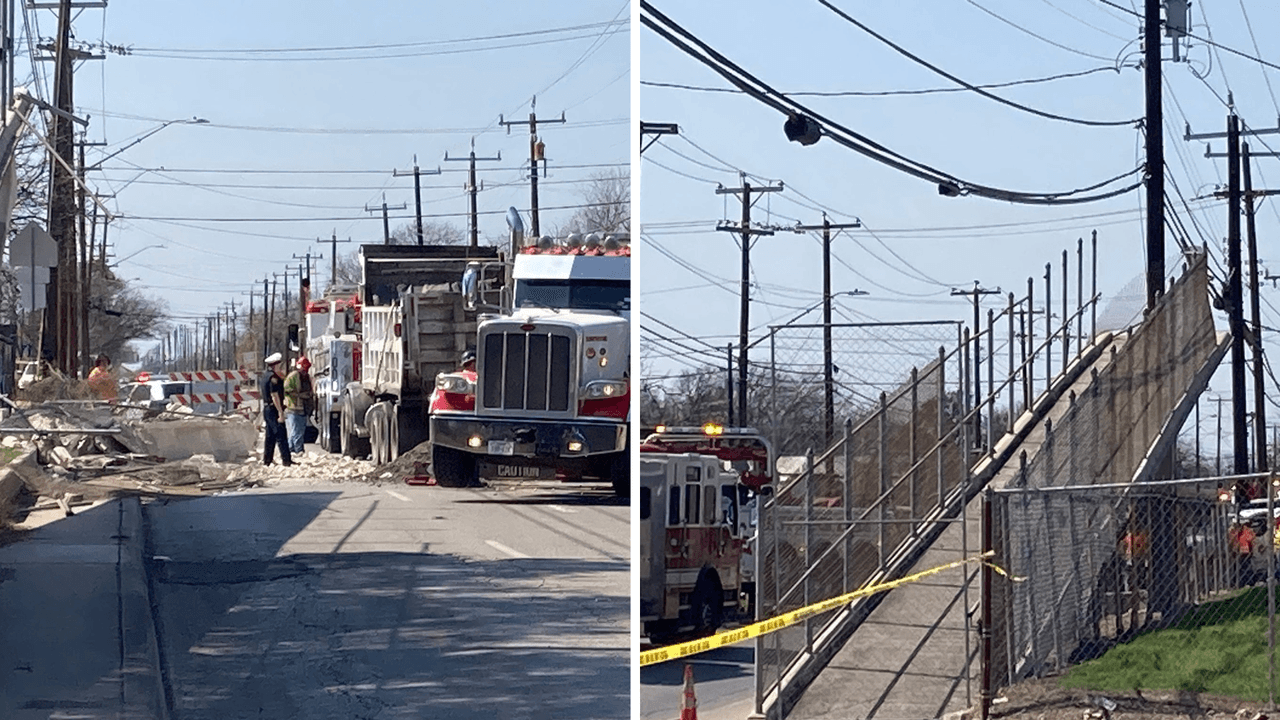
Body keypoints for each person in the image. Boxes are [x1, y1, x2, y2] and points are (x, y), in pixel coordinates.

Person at [259, 352, 292, 466]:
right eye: (279, 364)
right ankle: (286, 460)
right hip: (273, 409)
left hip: (267, 409)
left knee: (270, 436)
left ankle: (267, 460)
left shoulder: (265, 376)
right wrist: (280, 412)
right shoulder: (273, 378)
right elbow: (275, 395)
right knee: (281, 435)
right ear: (275, 365)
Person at [283, 355, 315, 454]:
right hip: (293, 408)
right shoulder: (293, 376)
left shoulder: (306, 377)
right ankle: (298, 450)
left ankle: (291, 449)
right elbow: (287, 389)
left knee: (296, 431)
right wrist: (300, 395)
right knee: (297, 431)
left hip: (302, 408)